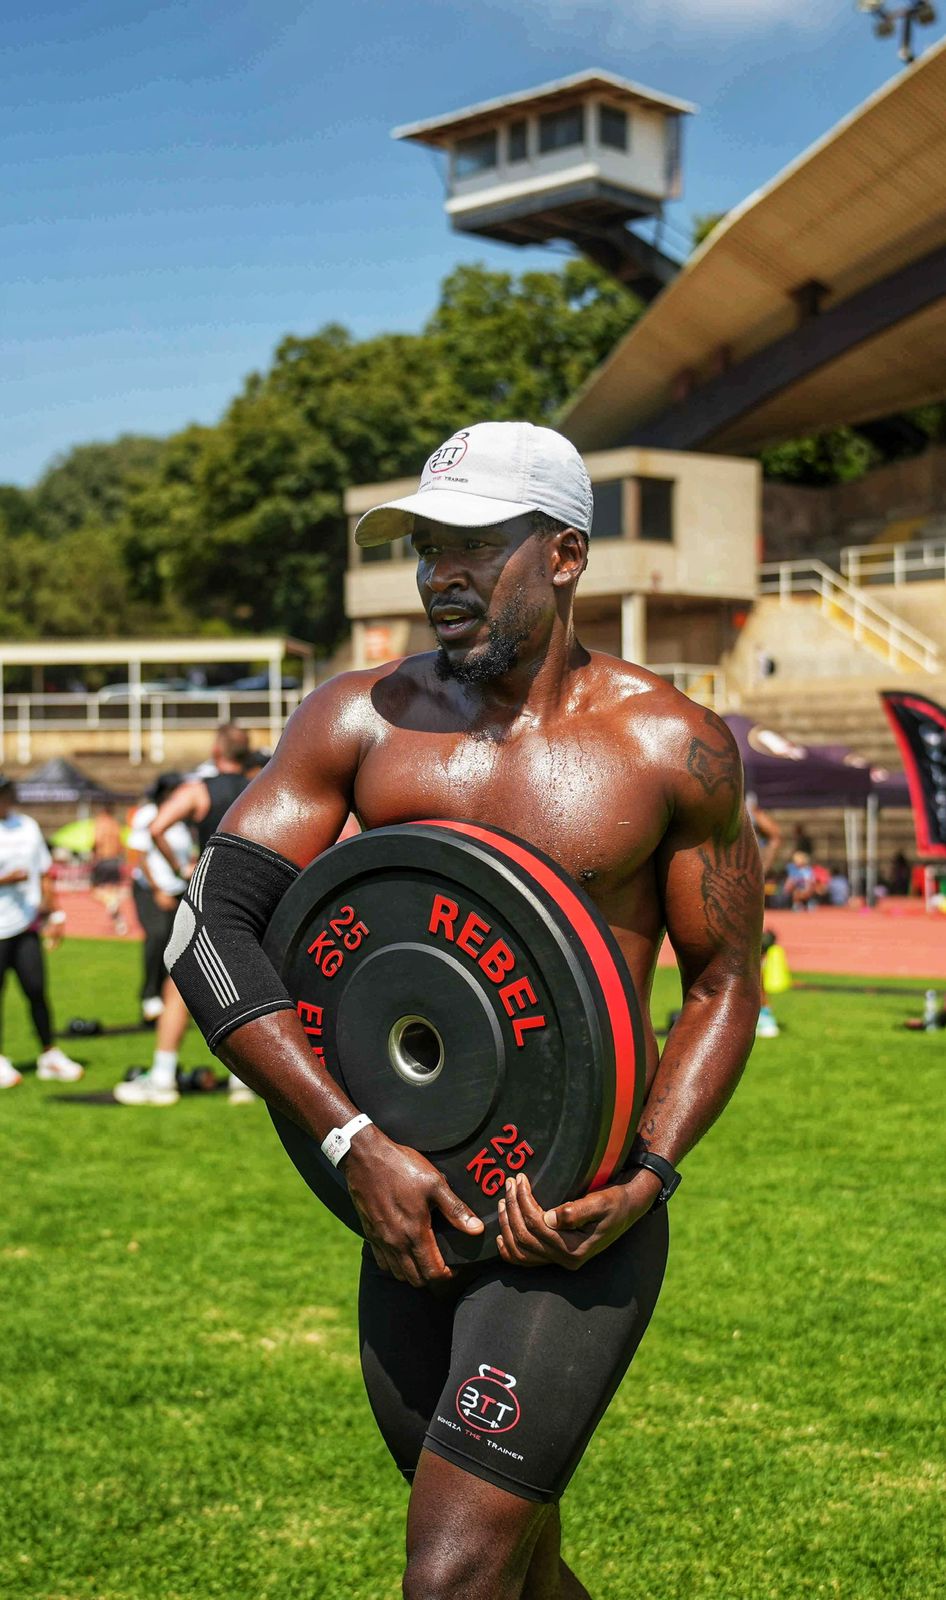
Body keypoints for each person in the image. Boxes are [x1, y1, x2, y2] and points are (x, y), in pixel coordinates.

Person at [162, 421, 763, 1599]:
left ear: (566, 554)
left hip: (569, 1231)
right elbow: (206, 933)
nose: (441, 572)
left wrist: (643, 1178)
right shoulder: (360, 717)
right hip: (402, 1211)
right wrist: (354, 1142)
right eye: (426, 546)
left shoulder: (670, 746)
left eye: (475, 545)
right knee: (520, 1571)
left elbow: (724, 981)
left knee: (452, 1576)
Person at [115, 725, 254, 1106]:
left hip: (211, 897)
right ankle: (244, 1082)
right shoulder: (259, 788)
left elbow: (156, 826)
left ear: (215, 749)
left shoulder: (199, 789)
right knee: (247, 988)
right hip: (257, 900)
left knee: (179, 986)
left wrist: (181, 867)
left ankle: (162, 1077)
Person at [0, 775, 83, 1087]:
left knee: (36, 989)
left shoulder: (27, 826)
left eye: (7, 791)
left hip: (24, 923)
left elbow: (45, 871)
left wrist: (56, 913)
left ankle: (49, 1054)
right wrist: (6, 880)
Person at [125, 772, 191, 1024]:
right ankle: (149, 995)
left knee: (177, 945)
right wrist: (156, 890)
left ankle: (167, 998)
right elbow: (139, 856)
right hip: (151, 888)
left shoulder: (181, 819)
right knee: (157, 935)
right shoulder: (148, 814)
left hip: (177, 887)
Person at [90, 802, 127, 935]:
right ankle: (119, 923)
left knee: (95, 890)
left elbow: (97, 840)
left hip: (103, 860)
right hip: (115, 861)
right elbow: (121, 845)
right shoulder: (116, 825)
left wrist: (93, 852)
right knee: (113, 890)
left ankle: (111, 903)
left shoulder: (100, 823)